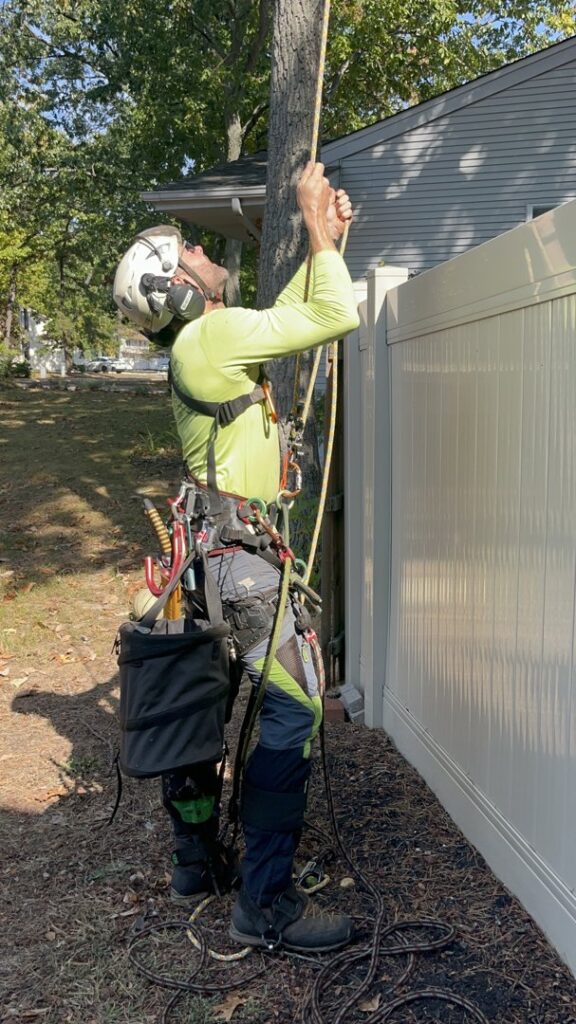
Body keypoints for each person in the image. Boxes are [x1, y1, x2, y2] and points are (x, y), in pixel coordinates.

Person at [113, 161, 360, 952]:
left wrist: (331, 239)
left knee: (204, 706)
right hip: (242, 558)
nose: (199, 249)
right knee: (294, 707)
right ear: (179, 287)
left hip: (208, 555)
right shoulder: (212, 336)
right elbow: (335, 314)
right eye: (186, 248)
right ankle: (266, 904)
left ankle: (197, 862)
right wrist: (314, 227)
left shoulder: (205, 342)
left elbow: (291, 319)